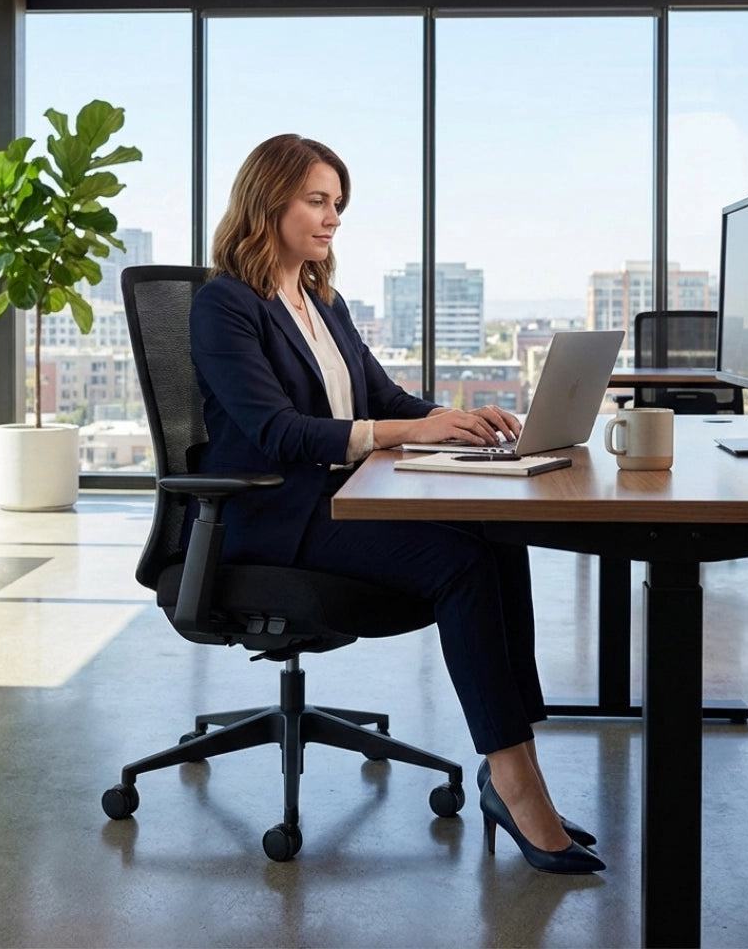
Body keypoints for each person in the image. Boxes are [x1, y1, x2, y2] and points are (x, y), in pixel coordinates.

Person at [189, 133, 604, 875]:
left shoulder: (323, 299)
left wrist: (458, 422)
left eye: (337, 204)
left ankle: (516, 765)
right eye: (317, 201)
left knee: (498, 532)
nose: (332, 218)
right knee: (458, 565)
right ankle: (513, 782)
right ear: (268, 200)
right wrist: (411, 429)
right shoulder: (225, 305)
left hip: (338, 501)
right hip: (273, 519)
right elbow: (277, 432)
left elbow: (381, 401)